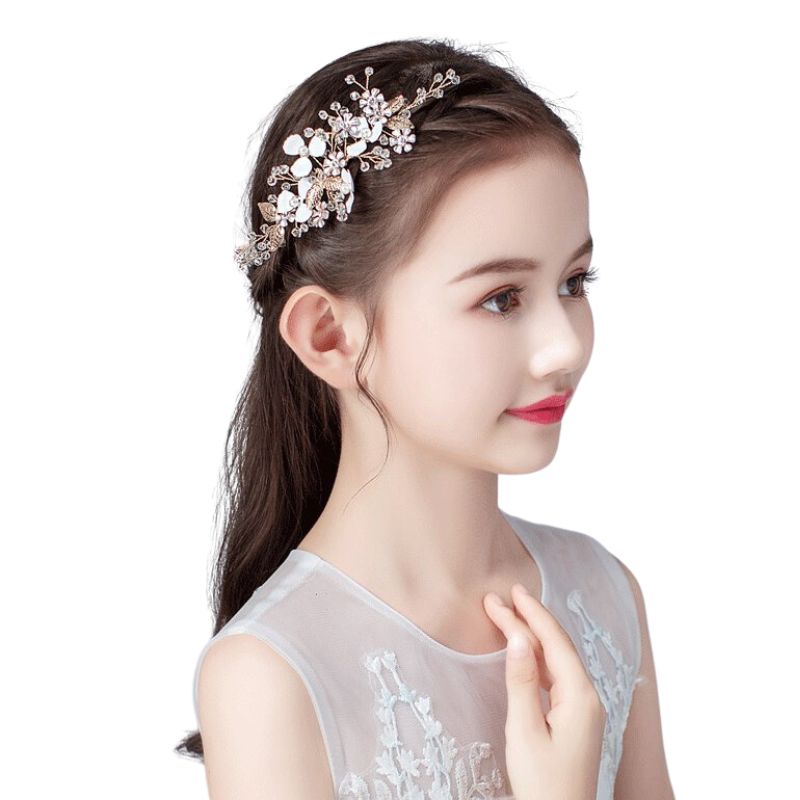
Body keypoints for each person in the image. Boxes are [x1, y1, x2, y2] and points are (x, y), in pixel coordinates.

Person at [175, 37, 674, 800]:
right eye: (501, 298)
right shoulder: (270, 676)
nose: (566, 346)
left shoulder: (604, 593)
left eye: (575, 282)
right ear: (329, 336)